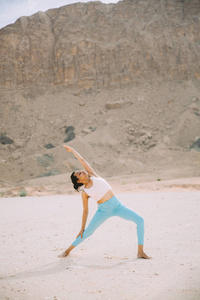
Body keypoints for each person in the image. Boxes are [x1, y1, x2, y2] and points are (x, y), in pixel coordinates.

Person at [59, 145, 151, 259]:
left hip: (118, 206)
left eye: (80, 171)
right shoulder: (85, 193)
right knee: (87, 233)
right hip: (104, 211)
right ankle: (67, 251)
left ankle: (140, 252)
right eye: (79, 173)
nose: (82, 171)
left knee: (140, 220)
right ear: (78, 180)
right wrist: (82, 227)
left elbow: (82, 160)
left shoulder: (93, 175)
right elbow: (85, 211)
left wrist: (73, 150)